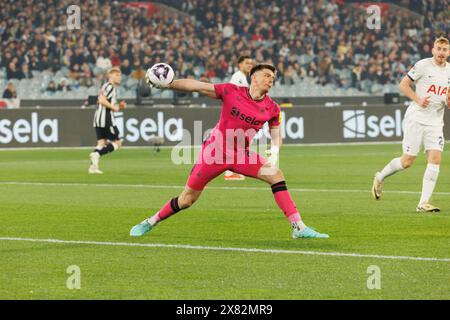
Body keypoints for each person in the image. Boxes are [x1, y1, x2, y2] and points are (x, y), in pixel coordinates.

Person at [130, 64, 329, 239]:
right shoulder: (231, 91)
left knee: (276, 175)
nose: (271, 79)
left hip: (241, 154)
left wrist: (275, 151)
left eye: (273, 77)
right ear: (254, 77)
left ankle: (298, 227)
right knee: (186, 200)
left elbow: (276, 134)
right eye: (267, 75)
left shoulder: (273, 108)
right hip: (214, 153)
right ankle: (150, 221)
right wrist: (170, 84)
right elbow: (198, 86)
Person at [372, 37, 450, 212]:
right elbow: (404, 85)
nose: (441, 52)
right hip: (416, 118)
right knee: (407, 161)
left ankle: (423, 203)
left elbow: (447, 96)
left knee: (436, 159)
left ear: (449, 52)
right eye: (439, 48)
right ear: (433, 50)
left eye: (445, 49)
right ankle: (380, 176)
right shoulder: (423, 65)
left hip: (436, 122)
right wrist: (418, 99)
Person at [89, 67, 126, 174]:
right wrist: (115, 107)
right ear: (111, 76)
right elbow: (101, 100)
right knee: (118, 142)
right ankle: (97, 154)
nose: (119, 78)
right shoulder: (110, 87)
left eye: (120, 75)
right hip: (106, 118)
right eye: (117, 75)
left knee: (102, 143)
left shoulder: (105, 86)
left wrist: (119, 106)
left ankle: (93, 167)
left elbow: (103, 100)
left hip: (98, 118)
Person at [224, 55, 254, 181]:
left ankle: (235, 169)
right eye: (247, 63)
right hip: (236, 116)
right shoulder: (237, 77)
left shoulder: (243, 78)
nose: (249, 65)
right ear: (240, 64)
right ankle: (230, 172)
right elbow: (234, 96)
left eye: (251, 63)